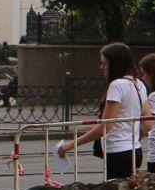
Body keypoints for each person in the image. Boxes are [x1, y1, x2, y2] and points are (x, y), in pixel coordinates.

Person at [56, 42, 147, 180]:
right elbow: (147, 122)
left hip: (118, 153)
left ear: (115, 64)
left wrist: (69, 145)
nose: (101, 67)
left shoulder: (117, 85)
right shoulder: (139, 84)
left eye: (105, 63)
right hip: (135, 150)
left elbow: (105, 127)